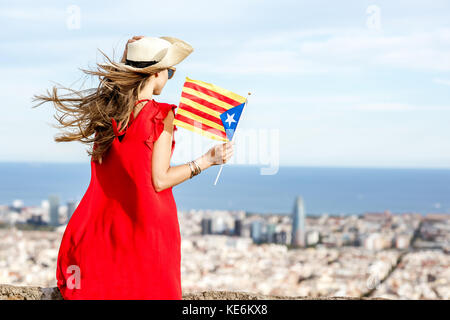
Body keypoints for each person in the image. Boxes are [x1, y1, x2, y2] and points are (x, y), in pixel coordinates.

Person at [32, 35, 234, 299]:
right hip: (149, 226)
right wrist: (207, 160)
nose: (169, 76)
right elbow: (160, 179)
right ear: (156, 73)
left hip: (109, 226)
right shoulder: (161, 114)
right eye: (170, 71)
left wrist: (129, 56)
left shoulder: (107, 113)